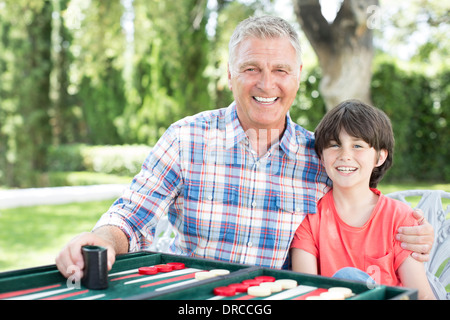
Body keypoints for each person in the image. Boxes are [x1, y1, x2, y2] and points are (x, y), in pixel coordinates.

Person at [55, 16, 434, 280]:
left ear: (299, 75)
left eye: (281, 71)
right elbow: (132, 216)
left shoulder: (320, 158)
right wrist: (102, 241)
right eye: (252, 68)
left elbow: (364, 216)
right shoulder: (187, 139)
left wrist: (415, 233)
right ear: (230, 72)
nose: (266, 84)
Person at [290, 100, 436, 299]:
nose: (345, 155)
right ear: (322, 157)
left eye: (357, 145)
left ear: (380, 157)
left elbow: (422, 296)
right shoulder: (309, 217)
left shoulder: (400, 219)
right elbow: (305, 292)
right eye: (335, 145)